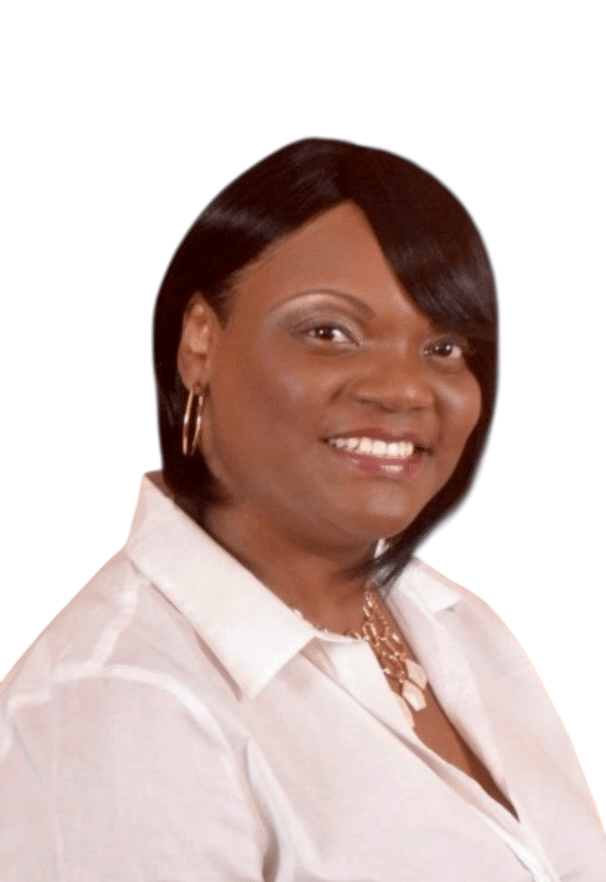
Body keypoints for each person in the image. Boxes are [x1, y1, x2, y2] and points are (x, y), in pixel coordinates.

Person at [1, 138, 604, 881]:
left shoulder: (456, 626)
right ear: (199, 343)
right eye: (329, 333)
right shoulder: (119, 705)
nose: (404, 390)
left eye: (446, 346)